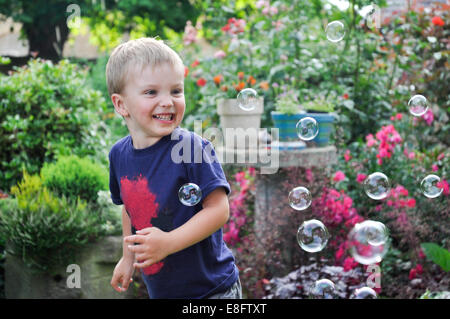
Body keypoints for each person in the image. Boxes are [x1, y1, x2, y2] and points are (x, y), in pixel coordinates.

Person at [106, 37, 241, 299]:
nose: (167, 101)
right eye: (151, 92)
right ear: (121, 104)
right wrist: (128, 257)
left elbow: (219, 210)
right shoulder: (119, 155)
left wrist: (168, 243)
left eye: (176, 91)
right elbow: (129, 207)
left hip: (211, 289)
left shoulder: (192, 147)